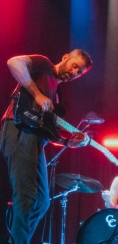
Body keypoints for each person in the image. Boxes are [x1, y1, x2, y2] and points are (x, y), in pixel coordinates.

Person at [0, 49, 93, 244]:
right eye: (75, 66)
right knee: (26, 196)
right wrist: (37, 95)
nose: (75, 73)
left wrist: (68, 142)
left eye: (79, 73)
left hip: (36, 141)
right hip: (19, 130)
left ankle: (15, 240)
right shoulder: (44, 65)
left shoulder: (57, 96)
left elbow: (47, 132)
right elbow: (13, 62)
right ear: (65, 57)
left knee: (41, 201)